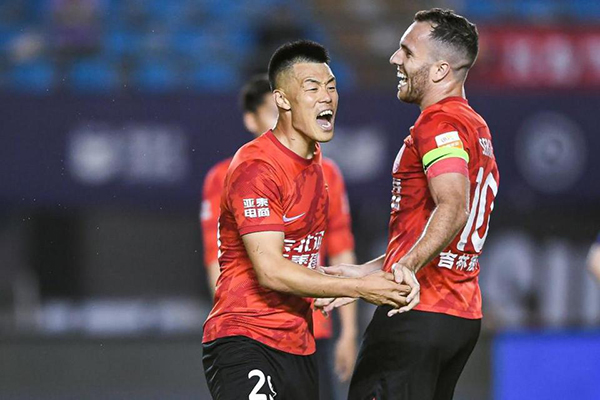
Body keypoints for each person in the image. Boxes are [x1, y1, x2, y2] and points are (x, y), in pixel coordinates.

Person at [201, 40, 411, 400]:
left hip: (300, 344)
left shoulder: (319, 167)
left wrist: (365, 279)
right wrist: (360, 288)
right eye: (312, 88)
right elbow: (271, 270)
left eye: (331, 86)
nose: (327, 97)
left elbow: (319, 255)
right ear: (282, 100)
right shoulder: (257, 167)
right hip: (246, 337)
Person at [317, 8, 500, 399]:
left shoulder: (439, 123)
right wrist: (363, 275)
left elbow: (453, 207)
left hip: (414, 313)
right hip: (459, 315)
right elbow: (434, 232)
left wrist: (403, 271)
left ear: (440, 70)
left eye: (407, 51)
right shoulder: (476, 127)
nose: (394, 58)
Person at [200, 74, 359, 398]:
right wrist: (236, 316)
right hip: (252, 327)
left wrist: (349, 332)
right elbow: (216, 258)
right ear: (250, 119)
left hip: (312, 326)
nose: (282, 119)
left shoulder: (326, 172)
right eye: (272, 112)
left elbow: (341, 248)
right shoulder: (229, 175)